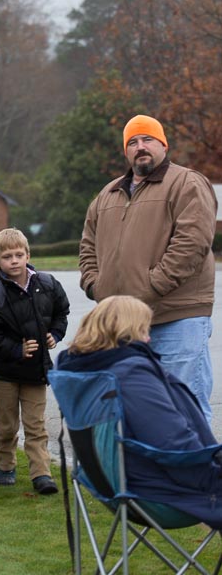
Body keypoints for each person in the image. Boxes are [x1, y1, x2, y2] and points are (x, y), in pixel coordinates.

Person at [79, 114, 218, 423]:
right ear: (126, 151)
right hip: (123, 325)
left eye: (148, 140)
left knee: (184, 409)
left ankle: (194, 473)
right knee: (136, 412)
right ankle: (149, 473)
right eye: (133, 142)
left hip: (176, 318)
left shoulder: (186, 182)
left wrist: (151, 286)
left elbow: (192, 242)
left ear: (163, 145)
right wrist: (95, 286)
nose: (140, 147)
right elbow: (88, 247)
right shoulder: (107, 194)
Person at [57, 295, 222, 529]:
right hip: (164, 494)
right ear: (128, 331)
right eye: (144, 329)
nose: (149, 337)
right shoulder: (131, 373)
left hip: (115, 488)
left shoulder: (86, 373)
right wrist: (214, 479)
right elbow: (172, 442)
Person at [0, 228, 70, 494]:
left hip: (35, 370)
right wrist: (17, 349)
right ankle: (5, 465)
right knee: (5, 425)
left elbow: (62, 312)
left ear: (28, 255)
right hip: (3, 372)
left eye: (19, 255)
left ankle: (41, 474)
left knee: (36, 424)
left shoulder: (48, 285)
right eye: (7, 256)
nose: (14, 261)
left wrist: (56, 335)